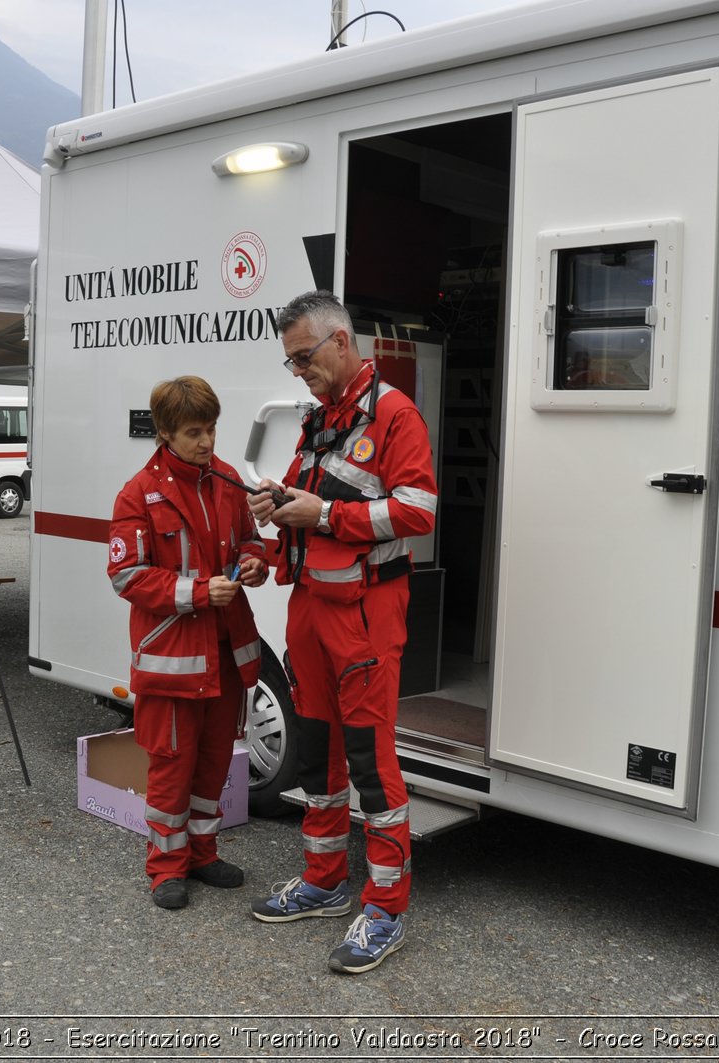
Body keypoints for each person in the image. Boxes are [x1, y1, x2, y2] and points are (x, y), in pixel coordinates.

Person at [246, 291, 438, 973]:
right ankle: (324, 881)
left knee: (370, 767)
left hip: (363, 618)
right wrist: (270, 532)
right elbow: (312, 521)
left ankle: (386, 910)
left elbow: (418, 511)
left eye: (304, 356)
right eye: (291, 360)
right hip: (312, 616)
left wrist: (322, 512)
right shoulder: (322, 419)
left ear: (342, 341)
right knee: (317, 762)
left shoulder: (393, 414)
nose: (298, 370)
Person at [107, 376, 268, 910]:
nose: (207, 441)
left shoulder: (224, 478)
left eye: (212, 429)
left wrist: (254, 562)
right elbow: (126, 576)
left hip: (225, 654)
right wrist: (198, 593)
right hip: (173, 659)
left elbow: (251, 540)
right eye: (194, 432)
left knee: (214, 761)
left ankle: (202, 852)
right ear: (165, 434)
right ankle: (165, 867)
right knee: (172, 765)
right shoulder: (137, 493)